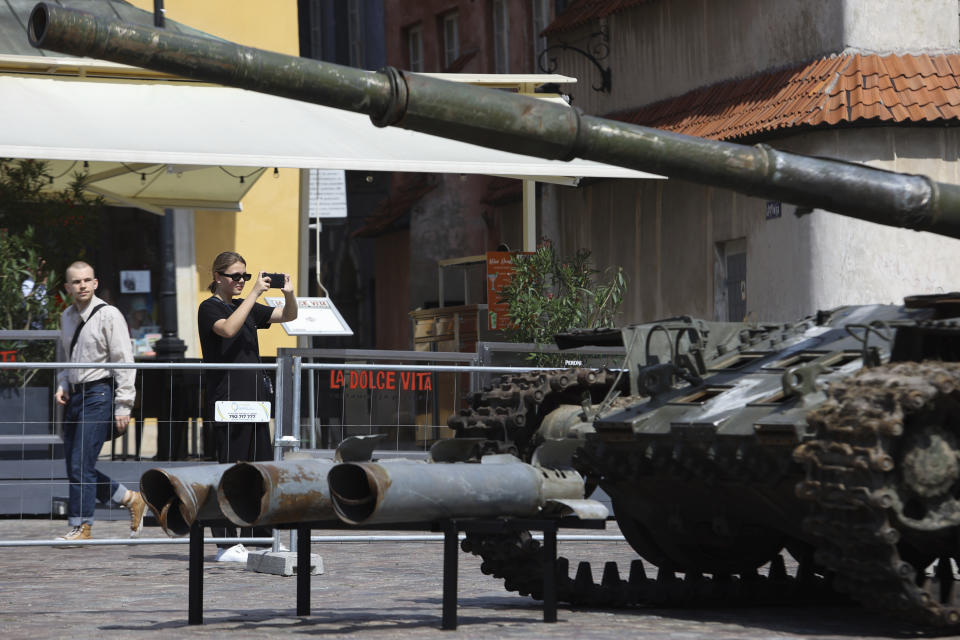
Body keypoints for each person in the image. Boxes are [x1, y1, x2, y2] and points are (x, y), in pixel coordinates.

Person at [197, 251, 297, 562]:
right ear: (217, 277)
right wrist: (254, 294)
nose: (241, 281)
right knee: (230, 470)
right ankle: (226, 543)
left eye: (244, 275)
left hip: (255, 400)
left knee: (259, 469)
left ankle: (260, 537)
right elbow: (227, 330)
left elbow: (288, 317)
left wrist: (288, 294)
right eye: (234, 276)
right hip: (227, 400)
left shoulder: (247, 307)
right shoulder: (209, 307)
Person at [54, 261, 146, 541]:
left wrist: (123, 405)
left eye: (87, 280)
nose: (82, 286)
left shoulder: (109, 315)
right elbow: (65, 356)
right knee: (75, 463)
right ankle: (131, 498)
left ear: (95, 283)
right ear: (67, 287)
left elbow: (123, 361)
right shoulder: (66, 316)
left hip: (100, 393)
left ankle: (82, 525)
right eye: (76, 282)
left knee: (81, 462)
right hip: (76, 394)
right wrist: (62, 382)